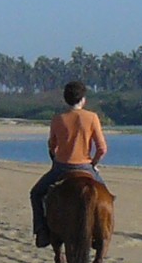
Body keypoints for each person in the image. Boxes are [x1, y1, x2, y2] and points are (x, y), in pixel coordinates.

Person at [30, 80, 108, 248]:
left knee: (36, 194)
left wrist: (56, 156)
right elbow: (102, 149)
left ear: (66, 99)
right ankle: (100, 232)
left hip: (62, 167)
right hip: (86, 166)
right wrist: (93, 164)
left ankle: (42, 231)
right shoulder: (92, 117)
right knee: (106, 196)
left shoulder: (58, 119)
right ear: (83, 99)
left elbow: (52, 145)